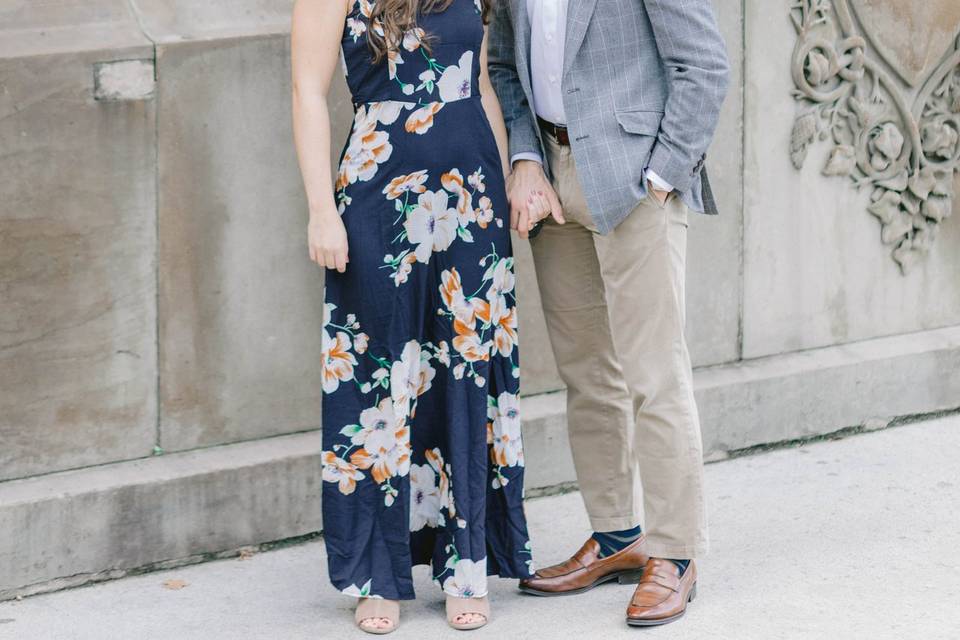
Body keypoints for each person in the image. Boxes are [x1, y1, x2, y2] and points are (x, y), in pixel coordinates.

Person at [291, 0, 539, 633]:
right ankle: (379, 572)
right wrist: (322, 210)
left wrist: (505, 177)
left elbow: (479, 81)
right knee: (379, 381)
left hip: (471, 193)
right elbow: (307, 92)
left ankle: (467, 563)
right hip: (377, 193)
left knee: (466, 373)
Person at [488, 0, 730, 627]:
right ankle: (617, 534)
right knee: (587, 374)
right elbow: (504, 65)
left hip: (634, 180)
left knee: (654, 376)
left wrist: (660, 175)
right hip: (551, 176)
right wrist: (525, 158)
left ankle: (675, 554)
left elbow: (703, 66)